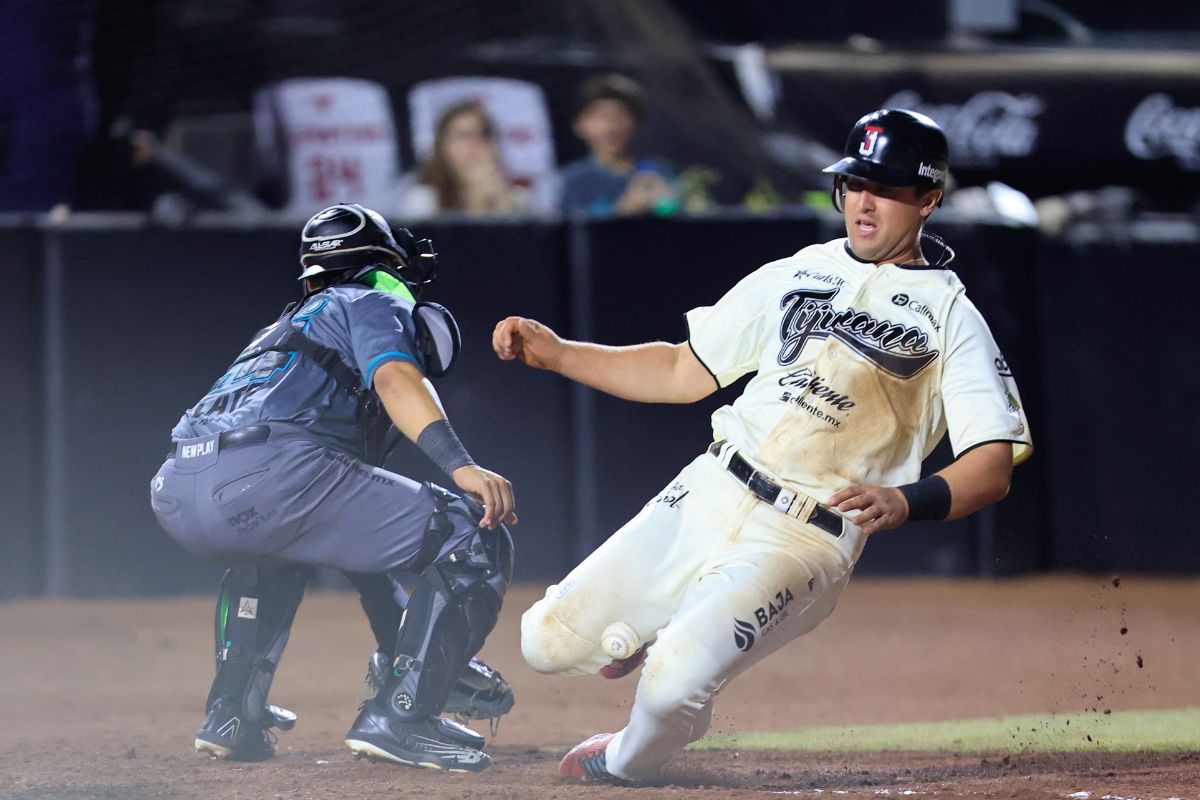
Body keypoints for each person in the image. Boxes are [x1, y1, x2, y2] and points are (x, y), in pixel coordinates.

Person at [493, 109, 1032, 782]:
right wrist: (562, 354)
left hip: (803, 537)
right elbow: (681, 371)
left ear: (929, 199)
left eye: (888, 189)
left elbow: (992, 463)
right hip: (711, 488)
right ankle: (676, 637)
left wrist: (906, 498)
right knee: (542, 642)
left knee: (667, 690)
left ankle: (631, 755)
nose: (865, 202)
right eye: (856, 182)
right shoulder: (800, 269)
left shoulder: (952, 317)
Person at [150, 203, 517, 773]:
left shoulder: (276, 333)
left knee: (277, 549)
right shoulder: (367, 297)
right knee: (472, 531)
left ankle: (231, 713)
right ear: (378, 266)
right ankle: (401, 716)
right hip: (273, 473)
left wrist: (399, 646)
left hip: (178, 484)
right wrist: (460, 465)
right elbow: (396, 377)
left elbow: (355, 549)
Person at [558, 73, 677, 217]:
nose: (611, 126)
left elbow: (674, 213)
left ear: (636, 122)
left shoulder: (658, 171)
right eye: (600, 116)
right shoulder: (569, 182)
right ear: (580, 125)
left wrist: (666, 205)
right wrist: (623, 211)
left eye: (620, 115)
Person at [398, 100, 527, 217]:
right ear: (442, 145)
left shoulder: (520, 198)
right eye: (464, 135)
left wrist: (499, 200)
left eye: (483, 134)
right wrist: (475, 202)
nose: (475, 143)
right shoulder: (422, 199)